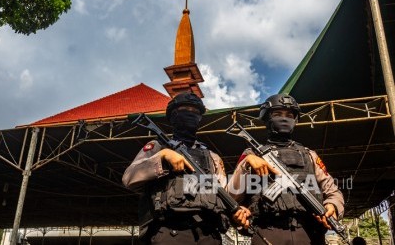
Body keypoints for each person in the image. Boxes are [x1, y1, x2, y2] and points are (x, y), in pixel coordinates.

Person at [122, 92, 250, 245]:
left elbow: (223, 192)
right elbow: (129, 178)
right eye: (184, 110)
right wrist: (162, 158)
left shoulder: (212, 156)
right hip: (171, 232)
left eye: (195, 111)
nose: (190, 114)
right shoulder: (157, 147)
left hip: (209, 234)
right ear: (173, 116)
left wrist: (236, 209)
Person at [227, 94, 344, 245]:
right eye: (277, 114)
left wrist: (332, 206)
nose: (284, 118)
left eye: (289, 115)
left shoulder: (309, 155)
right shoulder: (251, 156)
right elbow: (231, 196)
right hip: (267, 232)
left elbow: (333, 191)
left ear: (295, 120)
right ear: (267, 118)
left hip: (309, 233)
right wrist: (247, 163)